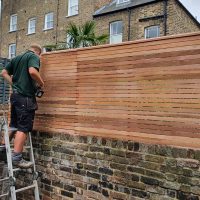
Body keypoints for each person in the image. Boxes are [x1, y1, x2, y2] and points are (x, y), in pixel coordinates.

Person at [0, 44, 44, 168]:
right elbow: (32, 71)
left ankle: (2, 149)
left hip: (15, 96)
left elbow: (3, 73)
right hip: (25, 98)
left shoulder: (16, 58)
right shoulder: (33, 56)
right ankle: (17, 158)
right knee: (23, 128)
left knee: (13, 125)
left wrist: (14, 85)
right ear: (38, 52)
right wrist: (41, 83)